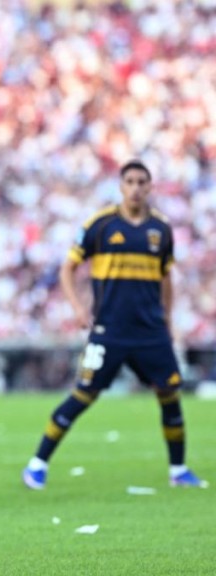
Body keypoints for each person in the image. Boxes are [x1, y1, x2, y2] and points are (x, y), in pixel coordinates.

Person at [22, 160, 208, 491]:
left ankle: (178, 470)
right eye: (130, 181)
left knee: (170, 393)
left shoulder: (161, 230)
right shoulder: (101, 225)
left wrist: (167, 320)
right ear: (121, 186)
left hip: (151, 331)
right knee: (84, 394)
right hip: (109, 330)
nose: (136, 187)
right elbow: (68, 268)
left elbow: (166, 277)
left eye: (142, 182)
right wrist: (79, 308)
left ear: (150, 187)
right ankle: (37, 464)